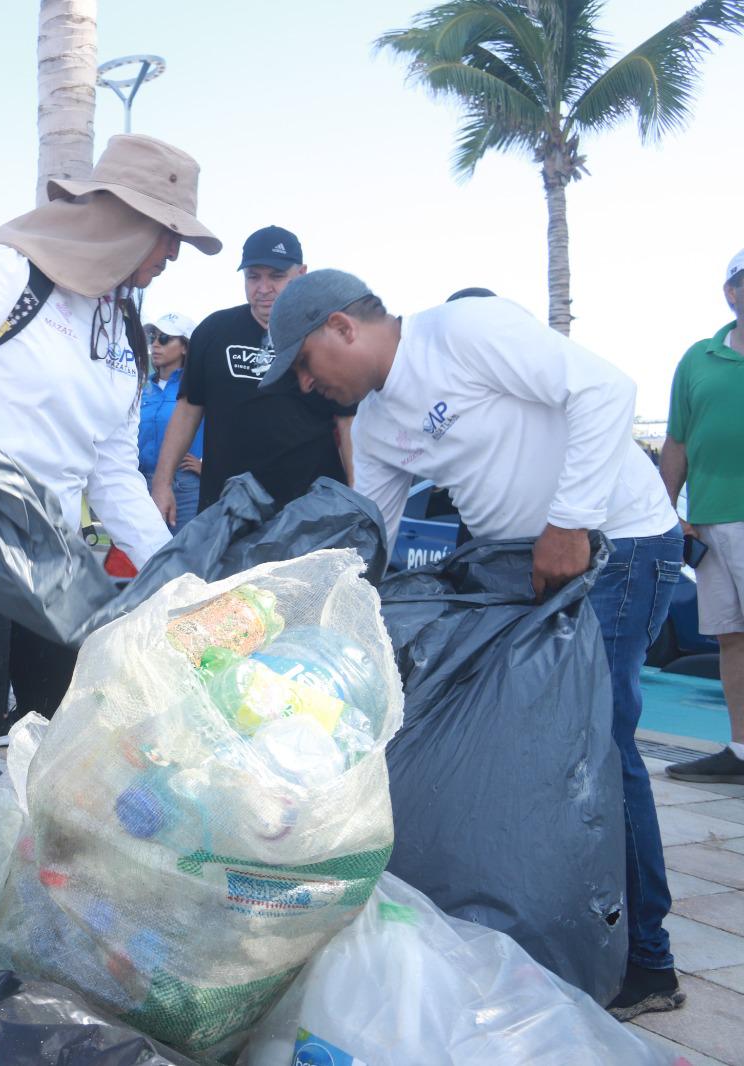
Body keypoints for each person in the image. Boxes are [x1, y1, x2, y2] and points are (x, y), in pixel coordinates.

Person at [264, 269, 685, 1022]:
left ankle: (648, 961)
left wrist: (568, 522)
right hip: (530, 565)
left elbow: (606, 390)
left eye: (303, 363)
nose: (305, 385)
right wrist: (317, 613)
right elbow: (377, 531)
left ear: (341, 328)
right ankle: (555, 922)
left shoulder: (463, 332)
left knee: (602, 742)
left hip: (614, 545)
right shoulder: (380, 422)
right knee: (546, 748)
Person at [0, 133, 221, 933]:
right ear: (125, 223)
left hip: (46, 554)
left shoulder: (124, 332)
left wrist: (174, 573)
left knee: (63, 717)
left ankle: (38, 894)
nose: (169, 256)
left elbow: (111, 472)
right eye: (167, 236)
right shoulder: (12, 270)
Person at [149, 226, 351, 527]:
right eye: (253, 276)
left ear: (302, 274)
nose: (264, 287)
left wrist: (357, 498)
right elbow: (188, 409)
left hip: (306, 517)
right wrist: (162, 483)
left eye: (276, 276)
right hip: (224, 513)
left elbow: (347, 426)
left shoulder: (329, 340)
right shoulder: (214, 331)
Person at [661, 248, 744, 786]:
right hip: (711, 523)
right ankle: (740, 752)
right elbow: (677, 442)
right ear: (732, 292)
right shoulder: (699, 356)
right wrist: (666, 513)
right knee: (732, 638)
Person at [138, 311, 201, 534]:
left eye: (164, 338)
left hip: (185, 487)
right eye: (153, 337)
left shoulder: (199, 388)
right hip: (140, 484)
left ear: (185, 347)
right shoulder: (140, 387)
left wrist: (207, 467)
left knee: (181, 560)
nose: (155, 344)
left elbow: (226, 433)